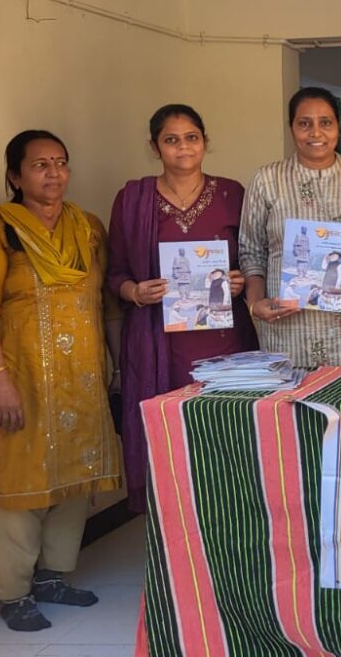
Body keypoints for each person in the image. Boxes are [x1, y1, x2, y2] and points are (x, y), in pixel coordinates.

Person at [0, 131, 122, 631]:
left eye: (60, 162)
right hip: (19, 378)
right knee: (17, 482)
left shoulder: (88, 228)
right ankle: (14, 591)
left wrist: (116, 366)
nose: (53, 172)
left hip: (81, 377)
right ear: (15, 176)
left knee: (75, 475)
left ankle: (53, 576)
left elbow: (107, 306)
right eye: (40, 165)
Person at [107, 104, 256, 513]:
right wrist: (136, 291)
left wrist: (242, 280)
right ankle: (175, 526)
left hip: (225, 342)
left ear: (205, 142)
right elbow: (114, 273)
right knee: (172, 439)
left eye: (191, 138)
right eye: (171, 140)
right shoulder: (133, 199)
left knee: (225, 434)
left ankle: (227, 520)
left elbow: (254, 257)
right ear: (154, 147)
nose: (183, 147)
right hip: (160, 347)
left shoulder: (231, 194)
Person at [239, 86, 341, 367]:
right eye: (304, 123)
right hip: (287, 325)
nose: (316, 132)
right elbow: (251, 251)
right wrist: (255, 304)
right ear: (291, 127)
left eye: (325, 123)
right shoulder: (267, 180)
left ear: (338, 127)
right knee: (290, 395)